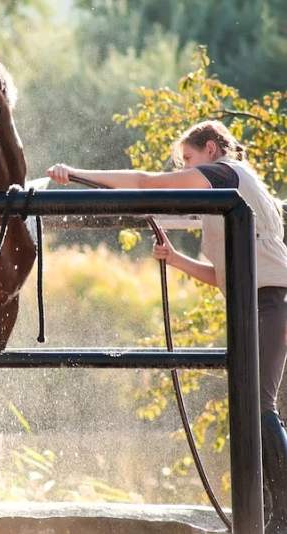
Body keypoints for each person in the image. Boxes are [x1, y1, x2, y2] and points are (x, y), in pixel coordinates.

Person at [47, 120, 287, 532]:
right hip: (260, 300)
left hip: (268, 302)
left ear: (211, 149)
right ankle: (269, 509)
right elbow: (223, 275)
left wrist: (78, 173)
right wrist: (176, 259)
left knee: (259, 406)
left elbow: (144, 180)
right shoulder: (236, 190)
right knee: (252, 406)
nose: (186, 168)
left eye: (189, 159)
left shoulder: (225, 172)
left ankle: (281, 510)